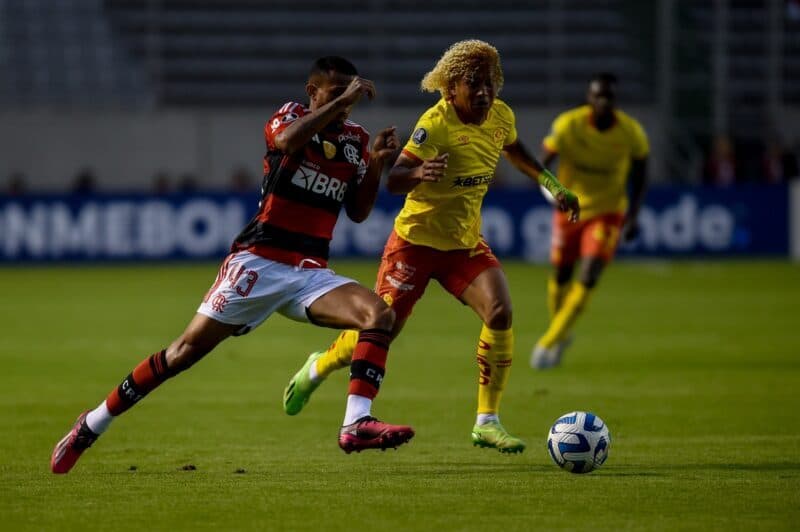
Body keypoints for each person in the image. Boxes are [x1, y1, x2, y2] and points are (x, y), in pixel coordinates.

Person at [50, 56, 414, 474]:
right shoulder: (290, 116)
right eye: (336, 94)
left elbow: (359, 211)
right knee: (182, 354)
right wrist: (337, 104)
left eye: (351, 96)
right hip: (258, 262)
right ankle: (92, 423)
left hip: (310, 272)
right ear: (313, 92)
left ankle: (355, 422)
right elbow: (288, 143)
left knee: (379, 315)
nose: (347, 105)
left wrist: (377, 162)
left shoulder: (355, 139)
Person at [281, 40, 579, 453]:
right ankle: (321, 364)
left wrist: (552, 184)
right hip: (414, 244)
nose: (484, 92)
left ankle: (487, 421)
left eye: (489, 83)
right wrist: (419, 171)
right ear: (450, 88)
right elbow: (395, 178)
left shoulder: (501, 116)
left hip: (463, 244)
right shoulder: (435, 124)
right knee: (381, 328)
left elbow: (515, 149)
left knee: (500, 311)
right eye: (473, 83)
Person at [530, 72, 649, 369]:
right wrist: (551, 191)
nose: (604, 102)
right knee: (561, 276)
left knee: (590, 273)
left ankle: (548, 342)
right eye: (598, 96)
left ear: (615, 101)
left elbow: (642, 173)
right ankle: (562, 330)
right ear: (589, 99)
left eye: (609, 97)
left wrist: (633, 216)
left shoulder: (631, 133)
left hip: (608, 212)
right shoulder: (568, 125)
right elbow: (541, 164)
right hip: (571, 209)